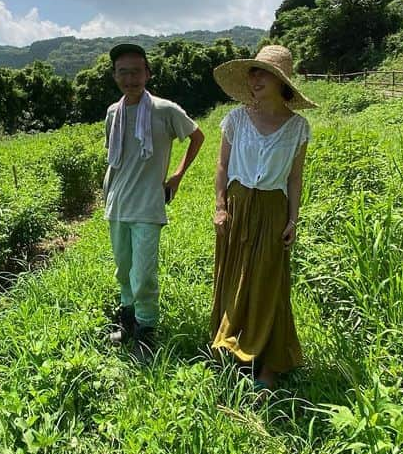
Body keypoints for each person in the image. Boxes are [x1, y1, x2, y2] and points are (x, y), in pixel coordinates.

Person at [210, 44, 316, 389]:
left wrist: (292, 219)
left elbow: (294, 178)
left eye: (262, 73)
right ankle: (231, 345)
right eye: (252, 73)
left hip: (273, 208)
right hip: (238, 205)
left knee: (269, 283)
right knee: (233, 275)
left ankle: (268, 364)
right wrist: (221, 205)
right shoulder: (237, 118)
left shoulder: (298, 127)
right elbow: (223, 165)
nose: (254, 80)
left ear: (280, 81)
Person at [104, 43, 205, 349]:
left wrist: (177, 175)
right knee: (123, 269)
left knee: (144, 273)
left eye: (136, 71)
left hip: (148, 205)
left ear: (147, 73)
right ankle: (127, 320)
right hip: (117, 204)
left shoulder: (165, 110)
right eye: (123, 72)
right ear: (115, 76)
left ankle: (146, 330)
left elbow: (197, 137)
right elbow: (113, 157)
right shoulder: (113, 113)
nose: (130, 78)